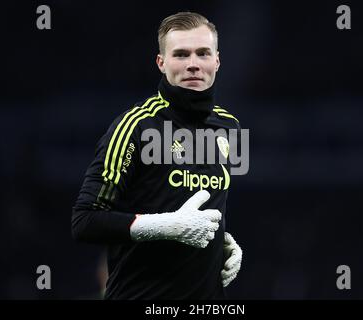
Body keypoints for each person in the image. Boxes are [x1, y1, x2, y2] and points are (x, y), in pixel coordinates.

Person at [72, 11, 243, 299]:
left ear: (217, 60)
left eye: (203, 53)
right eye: (181, 55)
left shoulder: (229, 127)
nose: (193, 65)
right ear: (161, 63)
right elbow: (85, 221)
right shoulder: (135, 126)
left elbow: (194, 203)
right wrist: (164, 226)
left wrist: (223, 242)